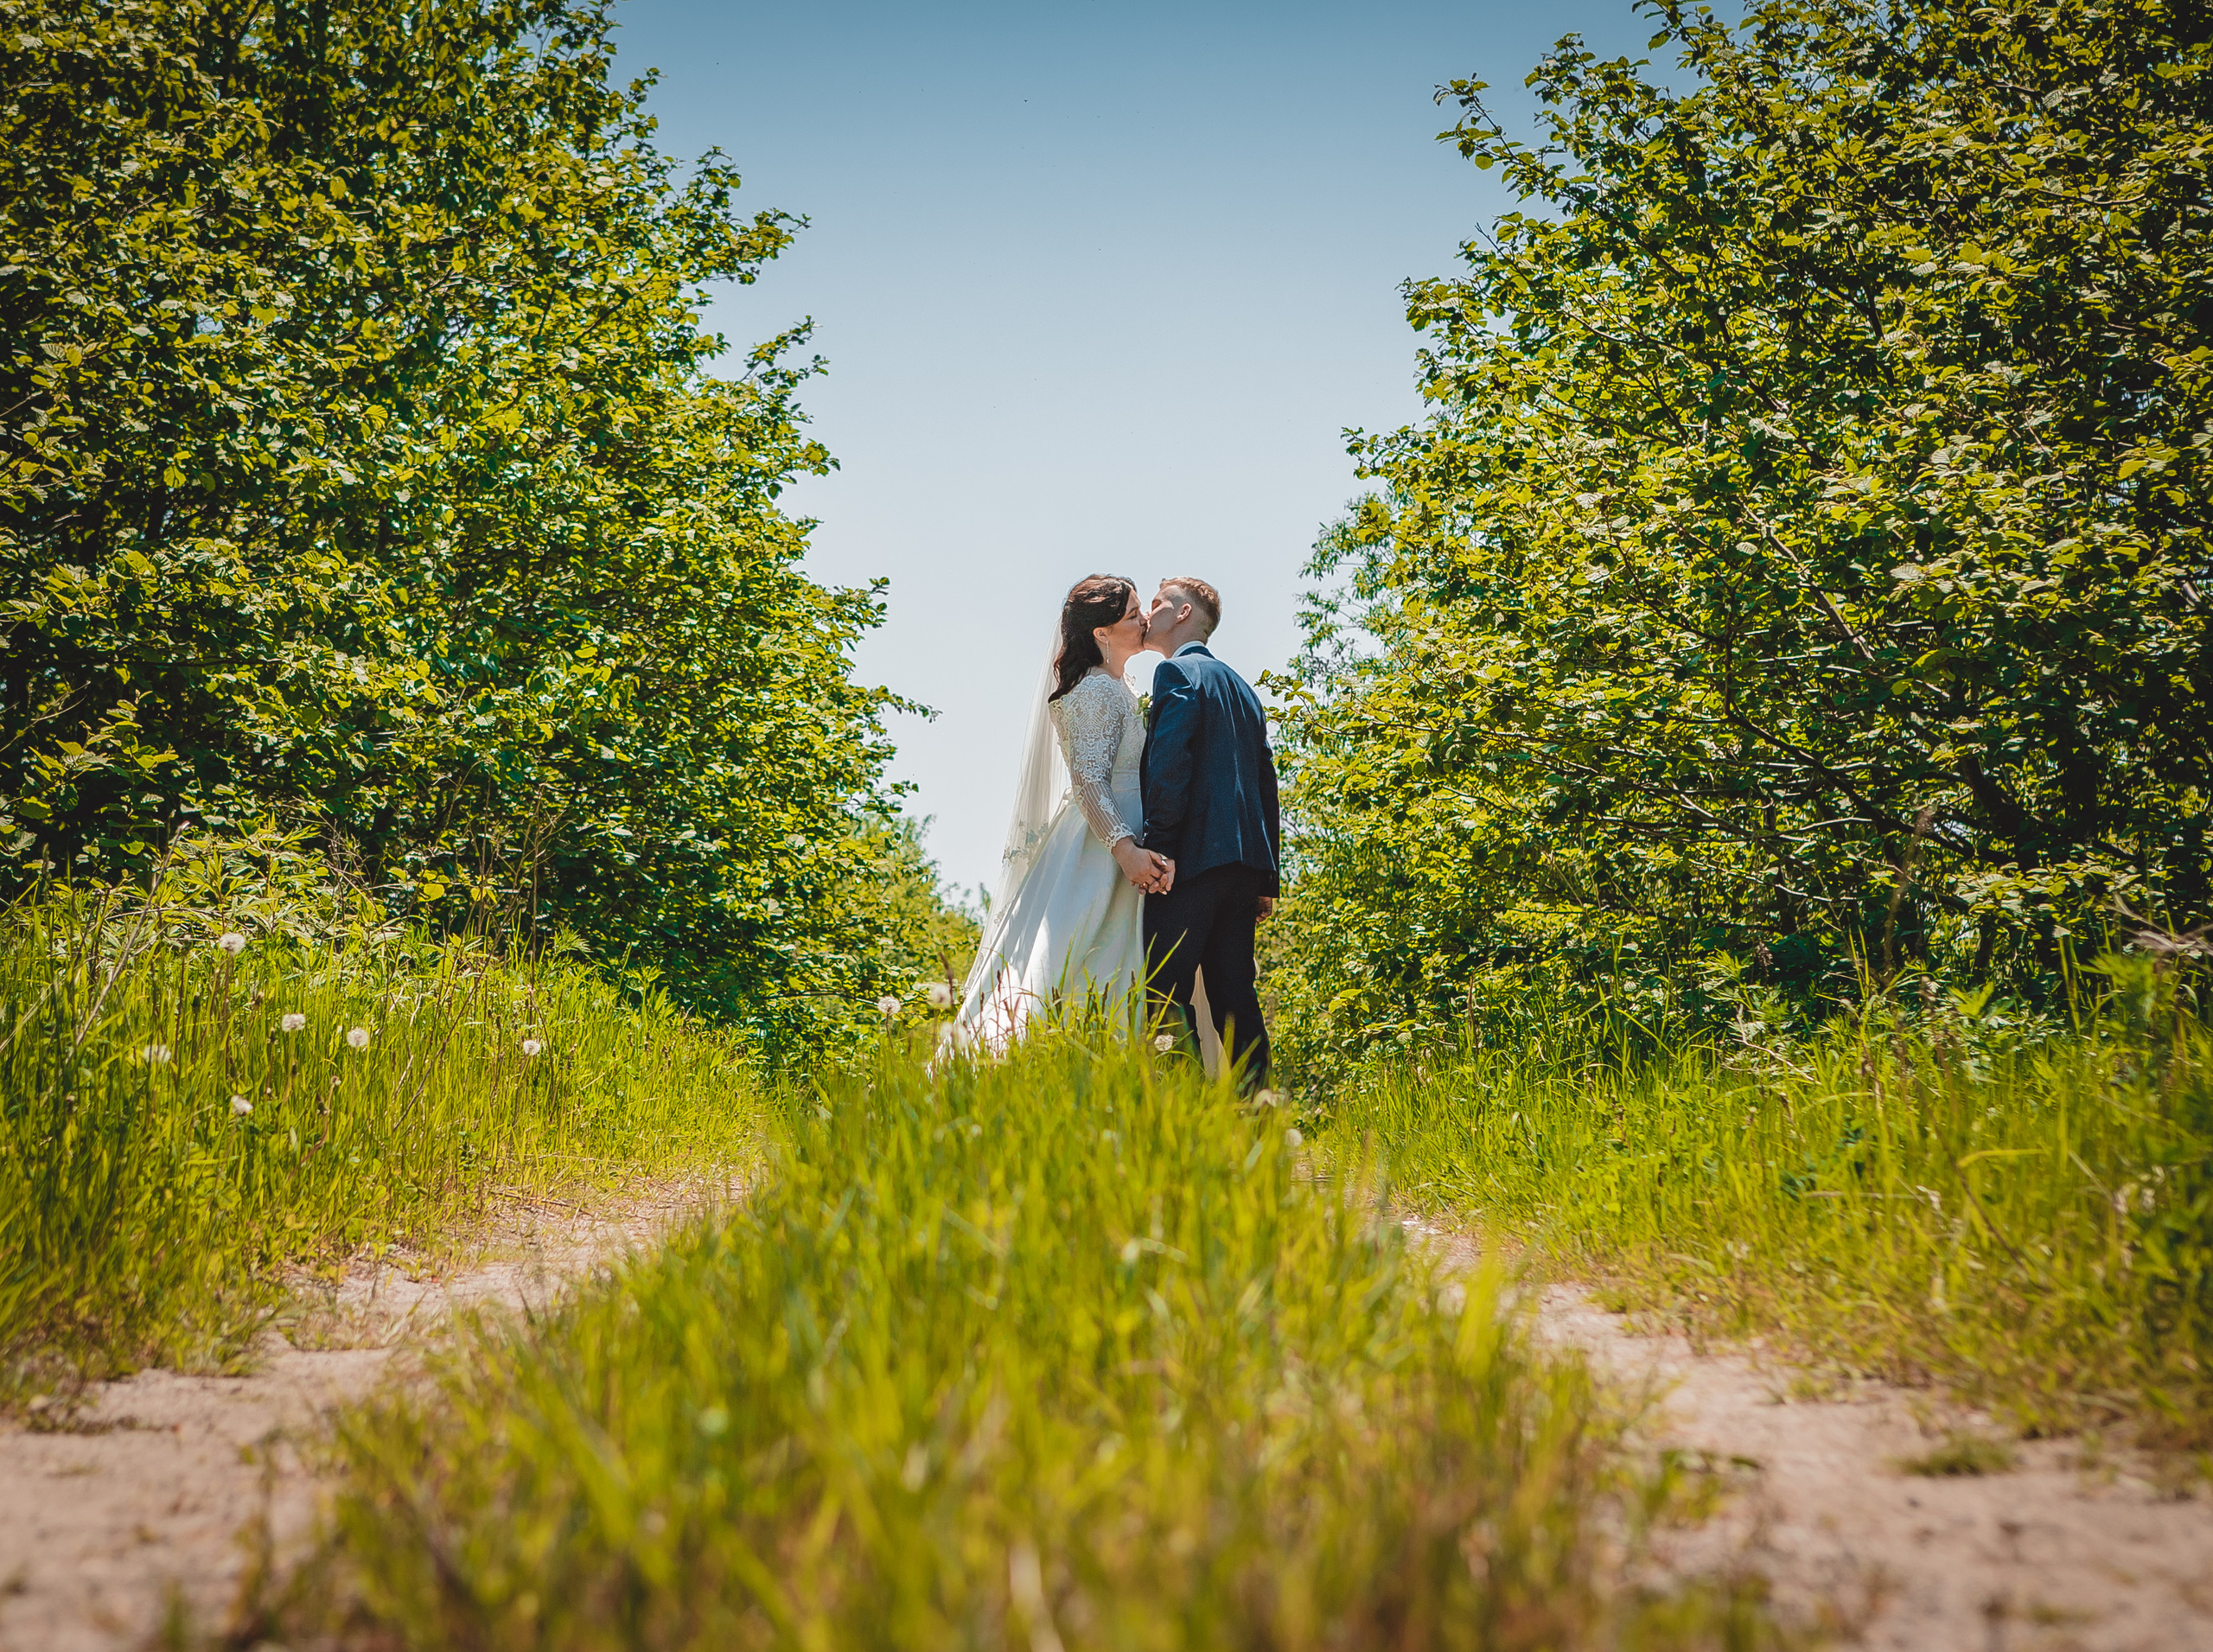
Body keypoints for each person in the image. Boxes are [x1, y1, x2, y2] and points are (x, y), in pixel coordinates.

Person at [951, 575, 1173, 1049]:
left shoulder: (1121, 686)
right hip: (1102, 850)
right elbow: (1088, 780)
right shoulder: (1094, 691)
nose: (1145, 620)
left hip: (1128, 839)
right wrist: (1126, 851)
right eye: (1133, 614)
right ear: (1102, 633)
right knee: (1073, 963)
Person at [1138, 576, 1279, 1085]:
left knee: (1165, 996)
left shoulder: (1176, 672)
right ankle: (1260, 1114)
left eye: (1158, 603)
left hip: (1189, 864)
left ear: (1183, 613)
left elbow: (1170, 767)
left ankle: (1188, 1111)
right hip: (1243, 870)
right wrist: (1267, 881)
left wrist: (1158, 851)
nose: (1148, 612)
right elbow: (1266, 783)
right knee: (1235, 998)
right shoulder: (1244, 689)